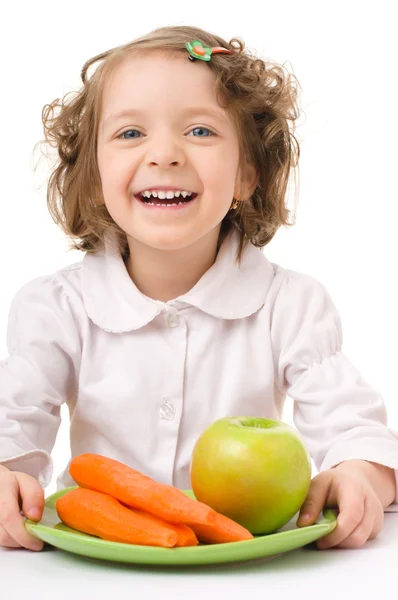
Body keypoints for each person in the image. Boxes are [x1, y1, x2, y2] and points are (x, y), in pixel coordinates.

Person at [0, 25, 397, 555]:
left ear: (246, 175)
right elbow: (14, 418)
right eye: (130, 134)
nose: (164, 154)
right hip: (90, 564)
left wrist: (362, 473)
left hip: (253, 565)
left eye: (201, 132)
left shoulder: (290, 304)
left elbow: (352, 423)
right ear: (94, 176)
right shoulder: (56, 307)